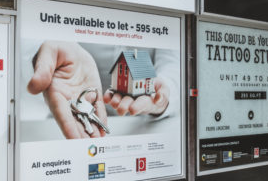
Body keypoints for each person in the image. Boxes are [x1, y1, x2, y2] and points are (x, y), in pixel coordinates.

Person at [25, 41, 176, 139]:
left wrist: (165, 92)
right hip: (60, 124)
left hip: (143, 129)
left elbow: (175, 65)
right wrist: (46, 50)